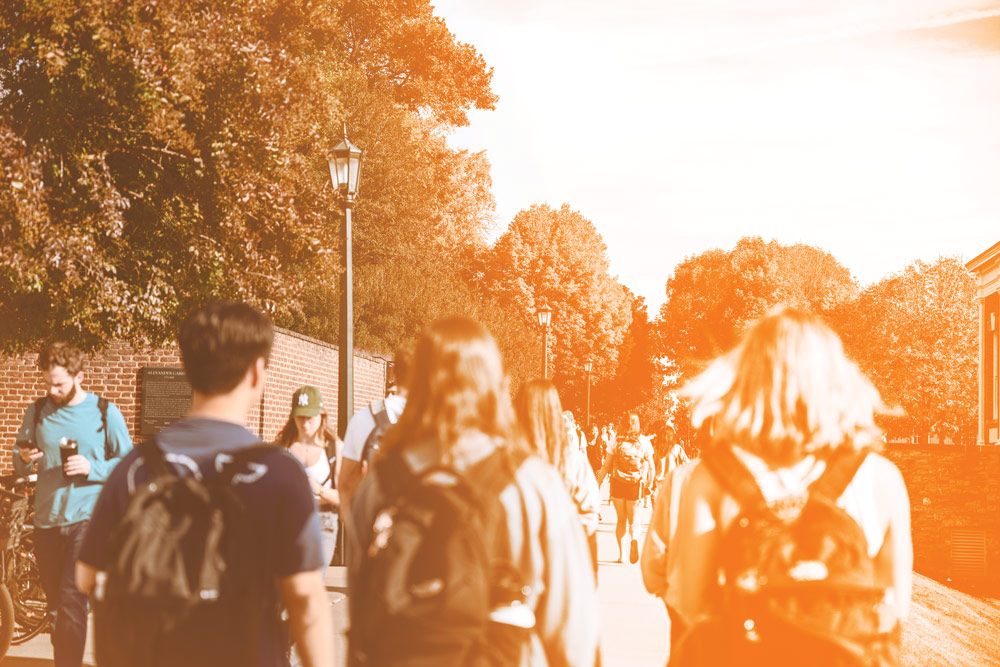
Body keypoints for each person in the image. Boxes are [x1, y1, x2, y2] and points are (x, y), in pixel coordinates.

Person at [75, 301, 333, 666]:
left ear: (187, 369)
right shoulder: (278, 472)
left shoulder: (136, 468)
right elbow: (305, 599)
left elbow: (85, 576)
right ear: (258, 372)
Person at [347, 317, 599, 666]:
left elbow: (361, 605)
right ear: (493, 385)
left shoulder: (382, 480)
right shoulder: (531, 482)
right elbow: (572, 627)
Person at [668, 306, 912, 666]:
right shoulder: (881, 478)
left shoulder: (714, 477)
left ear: (750, 377)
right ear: (837, 379)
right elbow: (894, 610)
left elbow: (691, 605)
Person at [11, 342, 133, 667]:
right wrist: (24, 459)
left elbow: (129, 463)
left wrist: (93, 468)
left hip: (88, 520)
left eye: (60, 384)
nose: (52, 390)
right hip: (47, 521)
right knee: (56, 607)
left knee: (70, 600)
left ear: (80, 376)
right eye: (47, 383)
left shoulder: (105, 412)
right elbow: (19, 461)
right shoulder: (37, 411)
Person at [515, 379, 601, 572]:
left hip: (517, 564)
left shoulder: (506, 459)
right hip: (563, 563)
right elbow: (589, 517)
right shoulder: (572, 460)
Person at [337, 342, 411, 518]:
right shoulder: (436, 421)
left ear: (393, 372)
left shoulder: (364, 418)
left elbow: (345, 483)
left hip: (373, 529)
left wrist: (357, 534)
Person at [276, 385, 341, 566]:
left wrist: (318, 489)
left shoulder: (334, 448)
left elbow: (345, 497)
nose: (305, 424)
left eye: (310, 418)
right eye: (300, 418)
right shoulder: (283, 447)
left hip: (323, 521)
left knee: (312, 578)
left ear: (322, 416)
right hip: (289, 520)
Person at [597, 412, 655, 564]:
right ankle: (634, 539)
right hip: (635, 485)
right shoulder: (643, 441)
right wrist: (648, 485)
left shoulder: (615, 440)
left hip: (618, 483)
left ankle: (622, 556)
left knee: (621, 520)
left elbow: (605, 466)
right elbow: (652, 468)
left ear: (622, 423)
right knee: (635, 520)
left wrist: (597, 485)